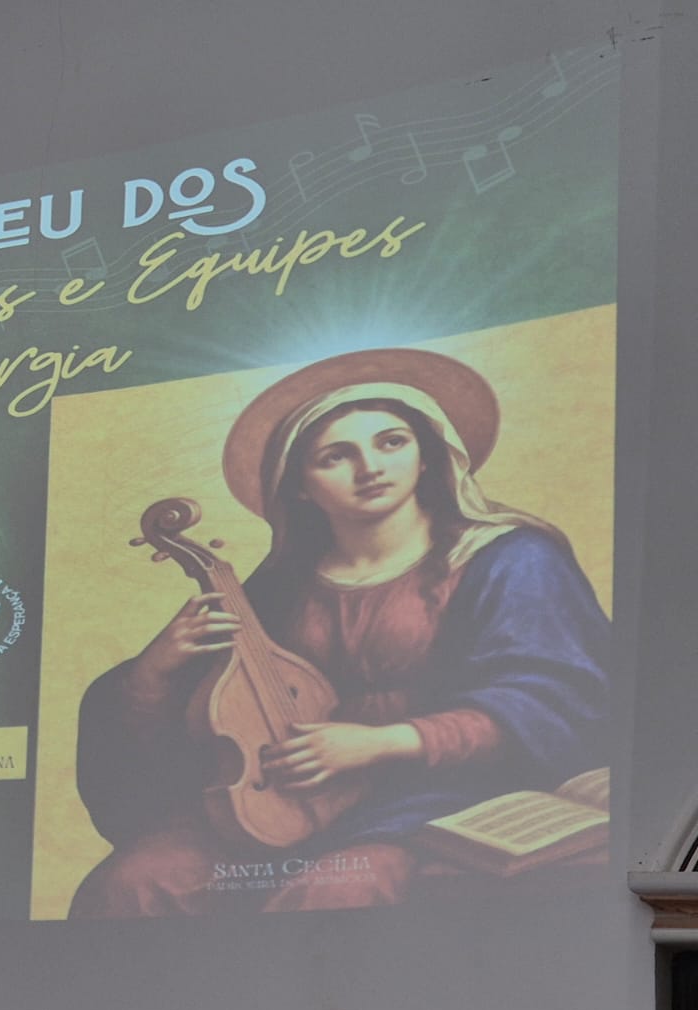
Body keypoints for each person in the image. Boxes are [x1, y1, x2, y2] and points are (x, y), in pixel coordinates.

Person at [69, 348, 611, 916]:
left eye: (392, 442)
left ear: (427, 455)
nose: (370, 467)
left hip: (431, 793)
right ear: (299, 485)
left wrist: (381, 743)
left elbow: (555, 697)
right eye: (335, 456)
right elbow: (210, 719)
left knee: (333, 893)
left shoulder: (510, 557)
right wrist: (155, 673)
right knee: (134, 884)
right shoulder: (282, 584)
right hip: (282, 797)